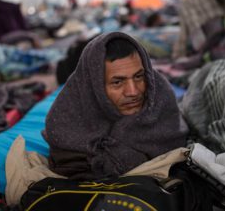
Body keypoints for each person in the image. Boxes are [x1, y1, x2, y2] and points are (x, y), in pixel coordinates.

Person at [42, 31, 188, 180]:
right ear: (94, 86)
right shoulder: (65, 125)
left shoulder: (161, 103)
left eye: (139, 76)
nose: (133, 91)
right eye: (117, 82)